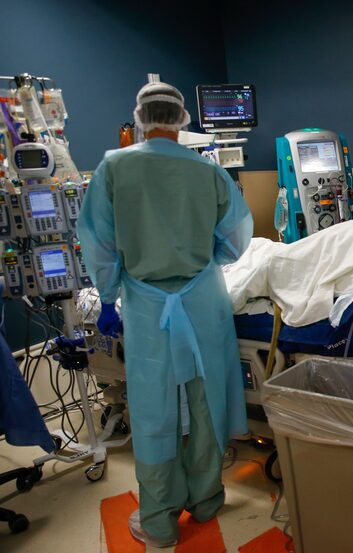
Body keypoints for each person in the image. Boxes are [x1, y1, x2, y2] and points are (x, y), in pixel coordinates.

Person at [77, 82, 253, 547]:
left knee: (155, 410)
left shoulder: (114, 168)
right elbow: (235, 240)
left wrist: (111, 292)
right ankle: (207, 499)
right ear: (182, 120)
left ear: (139, 118)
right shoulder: (208, 171)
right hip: (202, 300)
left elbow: (98, 241)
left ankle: (158, 521)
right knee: (206, 400)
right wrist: (200, 256)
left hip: (147, 303)